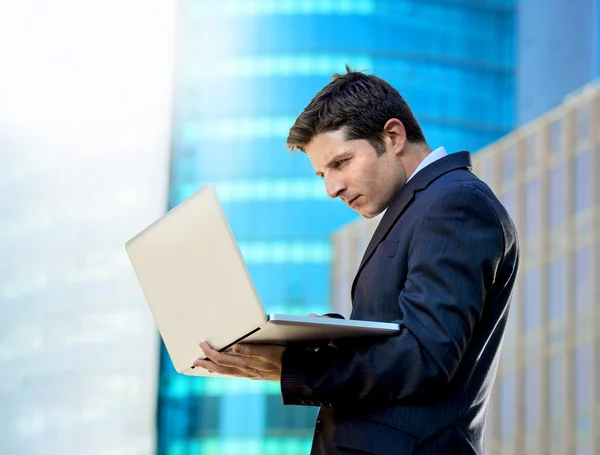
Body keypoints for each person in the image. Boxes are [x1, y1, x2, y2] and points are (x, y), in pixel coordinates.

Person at [194, 66, 519, 455]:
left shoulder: (455, 203)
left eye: (341, 162)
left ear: (393, 136)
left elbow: (426, 355)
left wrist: (294, 370)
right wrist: (318, 339)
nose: (332, 188)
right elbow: (400, 332)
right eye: (322, 174)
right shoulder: (424, 206)